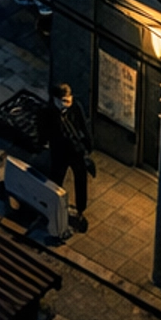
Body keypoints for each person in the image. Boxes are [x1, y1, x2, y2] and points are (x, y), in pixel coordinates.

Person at [46, 82, 94, 229]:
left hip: (76, 151)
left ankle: (80, 209)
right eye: (63, 100)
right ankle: (54, 206)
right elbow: (45, 130)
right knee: (57, 179)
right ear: (55, 100)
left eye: (68, 99)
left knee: (80, 179)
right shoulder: (49, 112)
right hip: (60, 152)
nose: (67, 103)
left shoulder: (75, 107)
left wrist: (88, 146)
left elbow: (83, 126)